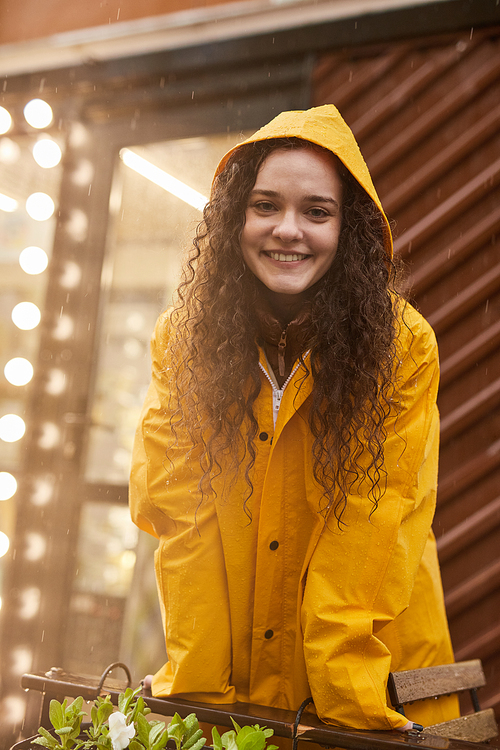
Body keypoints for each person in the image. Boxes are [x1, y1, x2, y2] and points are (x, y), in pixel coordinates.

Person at [129, 104, 458, 733]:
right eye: (265, 206)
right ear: (235, 219)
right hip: (239, 674)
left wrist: (349, 706)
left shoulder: (402, 346)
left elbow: (370, 521)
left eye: (317, 212)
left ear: (349, 230)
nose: (288, 230)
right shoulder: (183, 341)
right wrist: (197, 686)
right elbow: (181, 512)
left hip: (375, 671)